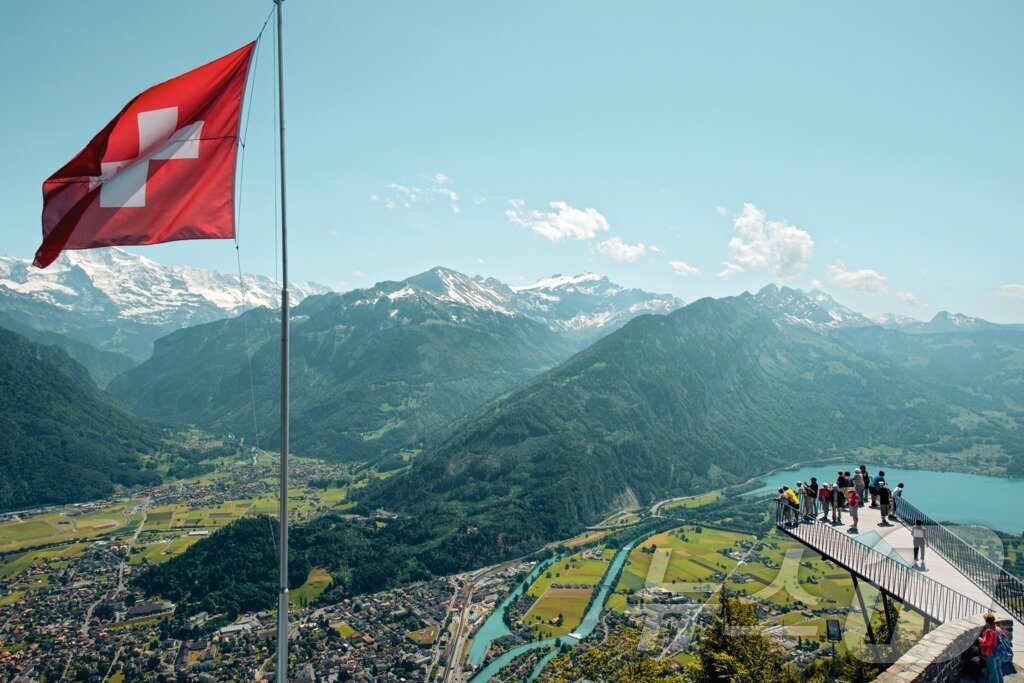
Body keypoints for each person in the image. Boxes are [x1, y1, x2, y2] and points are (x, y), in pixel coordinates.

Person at [978, 613, 1007, 683]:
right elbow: (1004, 637)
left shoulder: (989, 630)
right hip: (998, 651)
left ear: (986, 621)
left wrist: (980, 639)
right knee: (998, 668)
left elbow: (987, 642)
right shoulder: (998, 628)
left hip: (990, 652)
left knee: (992, 671)